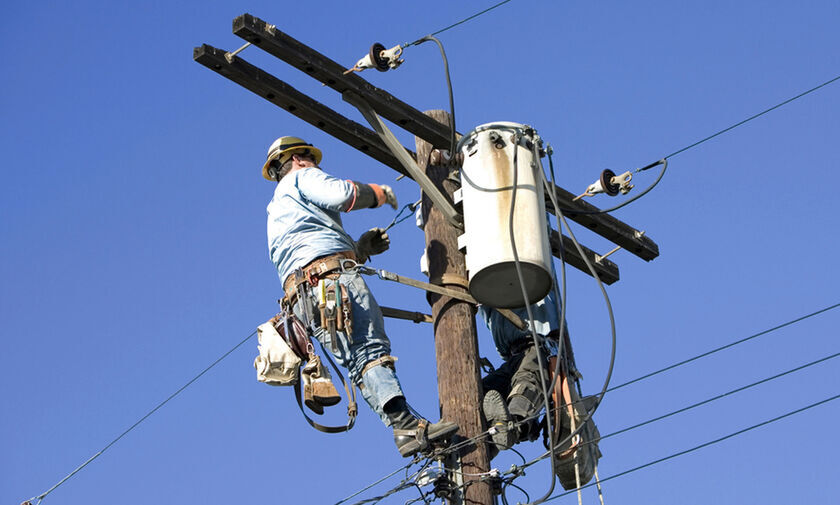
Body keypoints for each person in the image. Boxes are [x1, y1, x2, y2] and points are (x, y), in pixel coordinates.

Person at [263, 136, 458, 457]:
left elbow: (310, 248)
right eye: (312, 160)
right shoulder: (302, 177)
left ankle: (405, 426)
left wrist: (361, 250)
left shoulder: (276, 210)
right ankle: (406, 425)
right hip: (331, 283)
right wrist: (380, 194)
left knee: (357, 359)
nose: (317, 166)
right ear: (297, 159)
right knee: (368, 349)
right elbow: (342, 195)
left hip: (304, 298)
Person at [478, 289, 562, 456]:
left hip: (537, 345)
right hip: (512, 357)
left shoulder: (527, 272)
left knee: (527, 382)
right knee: (479, 392)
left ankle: (514, 426)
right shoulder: (482, 281)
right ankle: (486, 444)